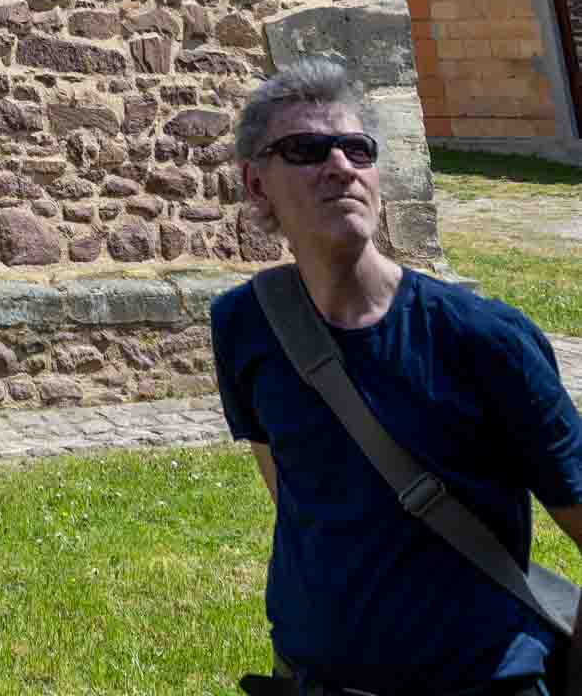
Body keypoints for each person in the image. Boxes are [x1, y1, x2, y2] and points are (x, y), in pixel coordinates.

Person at [210, 57, 582, 696]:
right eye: (306, 149)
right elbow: (299, 500)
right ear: (255, 184)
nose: (340, 165)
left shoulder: (485, 339)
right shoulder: (245, 325)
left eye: (357, 148)